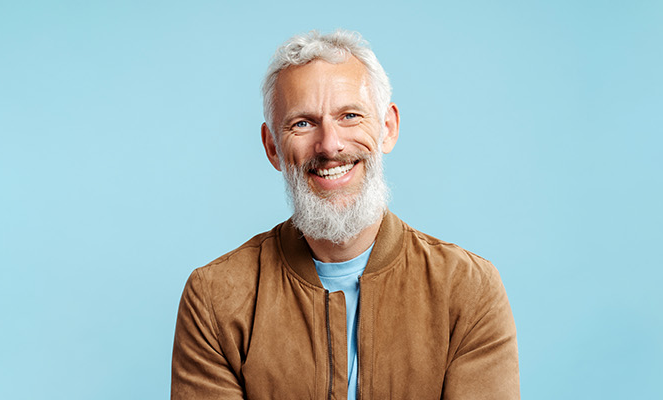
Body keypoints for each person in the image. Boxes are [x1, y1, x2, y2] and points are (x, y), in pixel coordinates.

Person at [171, 29, 520, 400]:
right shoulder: (215, 298)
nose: (330, 144)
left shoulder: (468, 289)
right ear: (273, 146)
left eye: (350, 116)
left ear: (387, 127)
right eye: (302, 123)